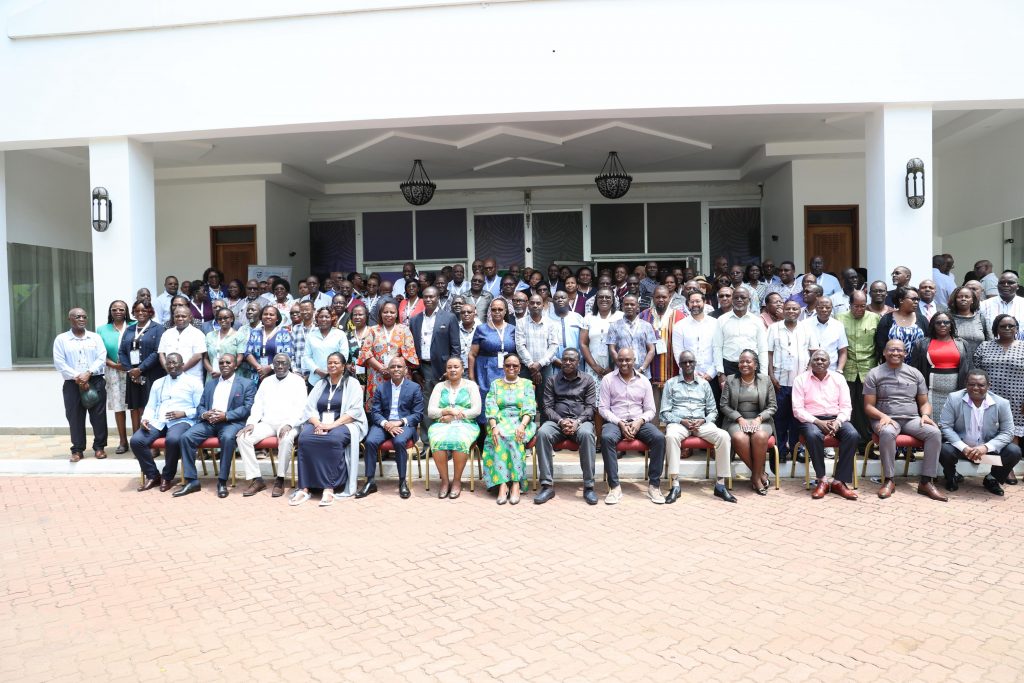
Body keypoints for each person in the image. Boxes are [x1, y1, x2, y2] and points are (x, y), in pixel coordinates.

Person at [863, 340, 946, 501]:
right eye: (891, 350)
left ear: (905, 353)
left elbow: (924, 402)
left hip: (911, 419)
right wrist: (882, 416)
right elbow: (868, 406)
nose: (895, 353)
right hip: (885, 418)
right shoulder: (874, 373)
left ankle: (926, 482)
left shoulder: (915, 373)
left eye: (899, 350)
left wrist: (925, 415)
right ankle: (889, 480)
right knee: (887, 433)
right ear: (884, 353)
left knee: (934, 433)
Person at [289, 352, 368, 506]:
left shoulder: (352, 384)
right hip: (320, 423)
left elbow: (355, 411)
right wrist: (318, 424)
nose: (332, 365)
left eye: (336, 363)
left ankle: (329, 488)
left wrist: (331, 426)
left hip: (345, 424)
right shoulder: (321, 384)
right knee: (305, 438)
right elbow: (309, 409)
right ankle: (304, 488)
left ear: (343, 366)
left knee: (332, 439)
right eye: (330, 363)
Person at [174, 355, 256, 499]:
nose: (224, 365)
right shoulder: (210, 384)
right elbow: (201, 406)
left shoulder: (246, 383)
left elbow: (247, 408)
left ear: (235, 365)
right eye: (221, 363)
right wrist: (205, 414)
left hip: (230, 423)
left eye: (228, 362)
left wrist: (226, 415)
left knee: (228, 438)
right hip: (209, 422)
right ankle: (192, 481)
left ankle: (222, 482)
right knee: (186, 437)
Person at [660, 350, 733, 504]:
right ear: (679, 365)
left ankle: (720, 485)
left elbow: (713, 411)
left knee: (724, 436)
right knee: (671, 436)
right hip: (679, 424)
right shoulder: (671, 384)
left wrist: (703, 420)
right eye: (684, 362)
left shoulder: (704, 384)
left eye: (690, 362)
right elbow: (664, 413)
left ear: (695, 363)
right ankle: (675, 485)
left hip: (701, 424)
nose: (688, 364)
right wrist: (681, 421)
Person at [598, 347, 666, 505]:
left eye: (627, 360)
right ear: (616, 361)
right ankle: (614, 487)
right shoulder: (608, 380)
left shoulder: (643, 381)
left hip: (638, 422)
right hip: (616, 421)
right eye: (620, 360)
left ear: (634, 361)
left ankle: (654, 486)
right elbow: (603, 408)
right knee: (606, 438)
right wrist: (619, 422)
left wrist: (640, 421)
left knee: (659, 438)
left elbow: (651, 410)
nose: (624, 363)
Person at [939, 369, 1022, 496]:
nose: (976, 388)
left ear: (989, 386)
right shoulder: (954, 398)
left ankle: (992, 479)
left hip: (987, 450)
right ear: (966, 385)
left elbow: (1008, 432)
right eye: (971, 384)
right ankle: (952, 475)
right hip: (961, 449)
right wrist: (964, 447)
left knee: (1014, 451)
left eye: (981, 385)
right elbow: (945, 426)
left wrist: (985, 447)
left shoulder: (1001, 403)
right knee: (943, 449)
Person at [129, 352, 204, 491]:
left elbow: (201, 409)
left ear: (182, 364)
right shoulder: (158, 383)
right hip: (159, 421)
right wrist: (145, 419)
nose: (171, 366)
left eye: (175, 362)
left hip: (182, 420)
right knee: (136, 441)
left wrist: (183, 413)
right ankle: (153, 475)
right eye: (168, 363)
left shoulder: (194, 383)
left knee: (173, 440)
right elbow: (151, 406)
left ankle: (167, 477)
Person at [236, 353, 307, 498]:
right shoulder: (266, 382)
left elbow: (302, 408)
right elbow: (258, 406)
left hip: (289, 423)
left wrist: (289, 424)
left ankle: (280, 479)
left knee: (286, 438)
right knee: (243, 437)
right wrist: (251, 423)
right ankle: (256, 479)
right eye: (277, 363)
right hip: (268, 423)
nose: (280, 366)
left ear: (289, 365)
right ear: (272, 365)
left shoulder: (298, 381)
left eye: (283, 363)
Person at [792, 350, 860, 500]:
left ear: (829, 363)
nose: (819, 362)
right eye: (816, 359)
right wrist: (817, 422)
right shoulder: (800, 380)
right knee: (813, 434)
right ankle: (822, 480)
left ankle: (838, 482)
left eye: (823, 360)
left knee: (852, 435)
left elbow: (846, 406)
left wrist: (838, 421)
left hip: (836, 418)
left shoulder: (838, 378)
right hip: (810, 419)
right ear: (810, 362)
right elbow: (797, 410)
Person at [534, 349, 598, 505]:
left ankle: (589, 487)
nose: (567, 362)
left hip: (581, 422)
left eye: (572, 360)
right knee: (542, 433)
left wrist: (577, 422)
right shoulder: (552, 380)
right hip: (557, 422)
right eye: (565, 359)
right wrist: (561, 421)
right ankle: (547, 486)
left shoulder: (588, 380)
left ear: (578, 362)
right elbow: (547, 407)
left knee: (587, 434)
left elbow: (591, 407)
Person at [357, 357, 425, 500]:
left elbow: (418, 414)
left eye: (399, 366)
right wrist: (386, 424)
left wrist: (400, 422)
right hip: (384, 424)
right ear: (388, 370)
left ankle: (402, 482)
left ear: (405, 370)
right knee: (370, 442)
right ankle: (370, 482)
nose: (396, 369)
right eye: (393, 367)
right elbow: (375, 412)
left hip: (404, 425)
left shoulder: (414, 388)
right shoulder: (381, 388)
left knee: (399, 441)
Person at [54, 307, 108, 462]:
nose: (82, 319)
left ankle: (99, 447)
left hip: (95, 380)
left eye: (84, 316)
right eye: (78, 317)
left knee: (98, 416)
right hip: (72, 384)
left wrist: (88, 373)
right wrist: (78, 376)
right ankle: (77, 450)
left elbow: (101, 357)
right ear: (69, 319)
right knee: (75, 417)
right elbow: (59, 362)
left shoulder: (95, 338)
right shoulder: (62, 339)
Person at [767, 299, 817, 464]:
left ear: (799, 311)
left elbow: (814, 353)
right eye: (788, 308)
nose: (791, 311)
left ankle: (797, 450)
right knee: (780, 418)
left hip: (801, 384)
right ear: (783, 310)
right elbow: (769, 353)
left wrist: (808, 375)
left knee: (798, 419)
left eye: (795, 309)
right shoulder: (774, 328)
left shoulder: (807, 328)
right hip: (779, 382)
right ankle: (781, 451)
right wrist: (771, 376)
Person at [721, 349, 777, 496]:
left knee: (760, 436)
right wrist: (739, 418)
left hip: (761, 420)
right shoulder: (730, 380)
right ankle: (759, 475)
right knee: (739, 437)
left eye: (748, 361)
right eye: (741, 362)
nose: (744, 364)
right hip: (736, 421)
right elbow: (724, 405)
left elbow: (772, 406)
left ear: (756, 365)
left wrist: (759, 418)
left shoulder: (765, 380)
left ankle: (755, 477)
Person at [483, 353, 537, 505]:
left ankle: (515, 484)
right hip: (499, 420)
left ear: (520, 368)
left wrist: (522, 426)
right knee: (498, 436)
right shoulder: (495, 384)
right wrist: (494, 426)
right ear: (503, 367)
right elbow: (491, 407)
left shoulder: (527, 384)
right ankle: (502, 485)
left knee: (515, 436)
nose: (511, 368)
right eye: (508, 365)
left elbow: (529, 408)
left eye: (515, 365)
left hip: (522, 421)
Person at [427, 357, 481, 500]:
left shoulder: (471, 386)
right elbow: (431, 411)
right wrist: (447, 411)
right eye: (449, 367)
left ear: (462, 369)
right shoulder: (440, 387)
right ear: (446, 370)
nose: (452, 370)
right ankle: (445, 481)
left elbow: (476, 410)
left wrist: (454, 417)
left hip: (466, 424)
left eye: (456, 367)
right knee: (437, 440)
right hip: (442, 424)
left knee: (459, 441)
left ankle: (457, 481)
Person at [409, 286, 460, 438]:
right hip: (423, 368)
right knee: (426, 406)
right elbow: (412, 347)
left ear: (438, 298)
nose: (428, 299)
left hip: (444, 369)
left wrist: (451, 369)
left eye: (432, 296)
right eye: (425, 296)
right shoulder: (415, 319)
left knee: (445, 405)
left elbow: (455, 347)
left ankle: (445, 441)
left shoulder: (449, 317)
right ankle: (427, 443)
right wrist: (415, 370)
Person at [356, 301, 419, 412]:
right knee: (378, 407)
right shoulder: (373, 330)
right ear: (380, 314)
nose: (388, 315)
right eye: (385, 312)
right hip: (377, 373)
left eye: (392, 312)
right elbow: (365, 352)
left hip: (399, 373)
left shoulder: (404, 329)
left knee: (400, 406)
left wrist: (393, 368)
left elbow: (410, 352)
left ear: (397, 314)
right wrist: (381, 368)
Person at [972, 314, 1024, 444]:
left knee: (1011, 436)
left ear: (1016, 329)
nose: (1007, 328)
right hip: (987, 399)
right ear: (996, 329)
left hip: (1016, 401)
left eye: (1011, 326)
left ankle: (1009, 458)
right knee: (984, 434)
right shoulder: (985, 346)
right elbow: (975, 373)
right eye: (1003, 326)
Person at [837, 290, 879, 448]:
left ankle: (866, 445)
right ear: (850, 305)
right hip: (846, 369)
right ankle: (848, 443)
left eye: (863, 306)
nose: (860, 309)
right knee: (848, 407)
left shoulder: (875, 318)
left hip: (868, 369)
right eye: (856, 306)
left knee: (866, 408)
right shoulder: (839, 319)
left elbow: (879, 344)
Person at [911, 312, 969, 423]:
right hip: (931, 392)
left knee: (954, 422)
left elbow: (968, 368)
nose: (942, 325)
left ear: (951, 325)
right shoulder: (922, 344)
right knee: (932, 423)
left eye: (946, 322)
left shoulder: (962, 344)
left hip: (956, 391)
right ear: (933, 325)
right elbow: (915, 370)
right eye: (938, 323)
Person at [468, 298, 516, 428]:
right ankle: (485, 435)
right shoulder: (481, 329)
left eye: (500, 309)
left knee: (505, 401)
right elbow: (472, 354)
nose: (497, 312)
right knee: (486, 401)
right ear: (490, 311)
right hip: (486, 372)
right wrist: (472, 379)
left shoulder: (512, 329)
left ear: (505, 311)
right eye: (494, 309)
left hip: (507, 370)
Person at [639, 285, 687, 414]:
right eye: (658, 297)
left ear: (669, 298)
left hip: (673, 371)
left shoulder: (680, 316)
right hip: (650, 372)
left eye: (664, 297)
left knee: (672, 411)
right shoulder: (643, 315)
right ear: (653, 298)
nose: (661, 300)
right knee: (652, 410)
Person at [119, 299, 165, 432]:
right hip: (132, 375)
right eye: (137, 310)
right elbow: (121, 352)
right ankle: (136, 437)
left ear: (150, 312)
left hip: (151, 374)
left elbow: (157, 352)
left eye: (144, 310)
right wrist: (130, 370)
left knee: (149, 405)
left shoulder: (158, 329)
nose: (140, 313)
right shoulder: (129, 329)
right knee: (135, 407)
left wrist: (140, 369)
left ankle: (149, 439)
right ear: (133, 313)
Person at [97, 300, 133, 454]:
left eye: (121, 309)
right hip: (113, 371)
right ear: (110, 312)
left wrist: (128, 365)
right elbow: (99, 353)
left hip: (133, 370)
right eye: (114, 309)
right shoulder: (102, 329)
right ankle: (123, 441)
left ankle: (138, 440)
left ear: (126, 311)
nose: (118, 312)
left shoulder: (134, 325)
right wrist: (114, 365)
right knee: (118, 406)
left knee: (135, 406)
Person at [713, 288, 767, 385]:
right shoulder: (722, 320)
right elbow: (717, 347)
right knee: (730, 395)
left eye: (743, 297)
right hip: (729, 367)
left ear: (749, 300)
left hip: (752, 367)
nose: (739, 300)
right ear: (732, 300)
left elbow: (763, 348)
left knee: (751, 395)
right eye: (736, 297)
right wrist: (720, 373)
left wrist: (763, 374)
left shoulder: (757, 321)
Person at [516, 293, 559, 404]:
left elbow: (554, 345)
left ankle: (545, 417)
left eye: (538, 303)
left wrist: (539, 364)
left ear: (543, 306)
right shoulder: (520, 323)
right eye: (532, 303)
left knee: (546, 400)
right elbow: (520, 346)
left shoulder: (551, 323)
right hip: (526, 367)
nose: (535, 305)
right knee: (525, 400)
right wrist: (532, 365)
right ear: (528, 305)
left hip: (545, 367)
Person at [607, 294, 657, 382]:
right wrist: (622, 367)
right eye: (626, 304)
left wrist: (642, 369)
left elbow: (651, 350)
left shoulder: (647, 326)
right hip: (621, 373)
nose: (629, 307)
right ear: (622, 307)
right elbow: (612, 349)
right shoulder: (614, 326)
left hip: (642, 375)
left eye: (632, 304)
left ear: (638, 307)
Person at [874, 286, 928, 365]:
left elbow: (928, 343)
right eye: (913, 299)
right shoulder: (887, 319)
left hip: (917, 367)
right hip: (892, 366)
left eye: (917, 299)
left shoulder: (922, 320)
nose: (916, 302)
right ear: (901, 300)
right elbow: (881, 345)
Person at [579, 287, 622, 379]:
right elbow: (583, 344)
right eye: (601, 297)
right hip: (593, 366)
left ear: (613, 300)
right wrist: (595, 366)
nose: (604, 299)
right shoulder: (588, 318)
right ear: (596, 300)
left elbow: (624, 343)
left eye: (608, 297)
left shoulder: (620, 317)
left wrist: (612, 366)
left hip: (617, 366)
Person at [244, 306, 294, 383]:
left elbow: (287, 354)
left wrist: (270, 367)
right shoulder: (255, 332)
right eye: (265, 314)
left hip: (277, 375)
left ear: (277, 318)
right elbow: (248, 353)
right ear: (261, 317)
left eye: (271, 314)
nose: (268, 316)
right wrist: (259, 368)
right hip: (256, 374)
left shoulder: (284, 333)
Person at [304, 307, 350, 387]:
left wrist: (332, 371)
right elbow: (306, 357)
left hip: (336, 378)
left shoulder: (340, 334)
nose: (323, 319)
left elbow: (344, 356)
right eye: (321, 317)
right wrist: (318, 370)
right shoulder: (311, 336)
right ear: (317, 319)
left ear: (332, 318)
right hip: (315, 379)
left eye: (327, 317)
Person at [157, 306, 206, 380]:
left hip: (192, 377)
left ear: (190, 318)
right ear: (173, 318)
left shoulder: (198, 334)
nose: (180, 318)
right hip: (170, 377)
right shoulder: (166, 333)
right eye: (177, 316)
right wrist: (169, 371)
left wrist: (179, 371)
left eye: (183, 316)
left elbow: (198, 356)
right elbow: (161, 354)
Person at [801, 296, 848, 371]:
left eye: (828, 308)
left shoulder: (838, 326)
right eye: (821, 307)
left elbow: (843, 351)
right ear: (816, 308)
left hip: (831, 370)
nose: (824, 310)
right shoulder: (804, 324)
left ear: (832, 308)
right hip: (808, 370)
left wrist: (839, 370)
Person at [948, 285, 990, 359]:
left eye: (967, 297)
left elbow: (989, 341)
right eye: (960, 297)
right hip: (954, 360)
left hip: (978, 362)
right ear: (955, 300)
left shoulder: (980, 318)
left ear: (972, 300)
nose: (963, 299)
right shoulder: (948, 318)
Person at [980, 271, 1024, 340]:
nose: (1006, 285)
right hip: (991, 346)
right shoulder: (984, 305)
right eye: (1002, 283)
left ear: (1017, 286)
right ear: (997, 285)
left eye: (1010, 282)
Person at [204, 307, 244, 380]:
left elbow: (240, 358)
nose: (222, 320)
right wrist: (212, 371)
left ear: (232, 319)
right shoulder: (209, 335)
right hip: (212, 375)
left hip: (231, 375)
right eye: (219, 318)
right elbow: (205, 358)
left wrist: (222, 373)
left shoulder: (239, 336)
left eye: (225, 318)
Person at [456, 301, 478, 370]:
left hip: (476, 366)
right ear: (460, 315)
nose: (466, 314)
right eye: (463, 312)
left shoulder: (480, 329)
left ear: (474, 314)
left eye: (469, 312)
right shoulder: (455, 329)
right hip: (459, 367)